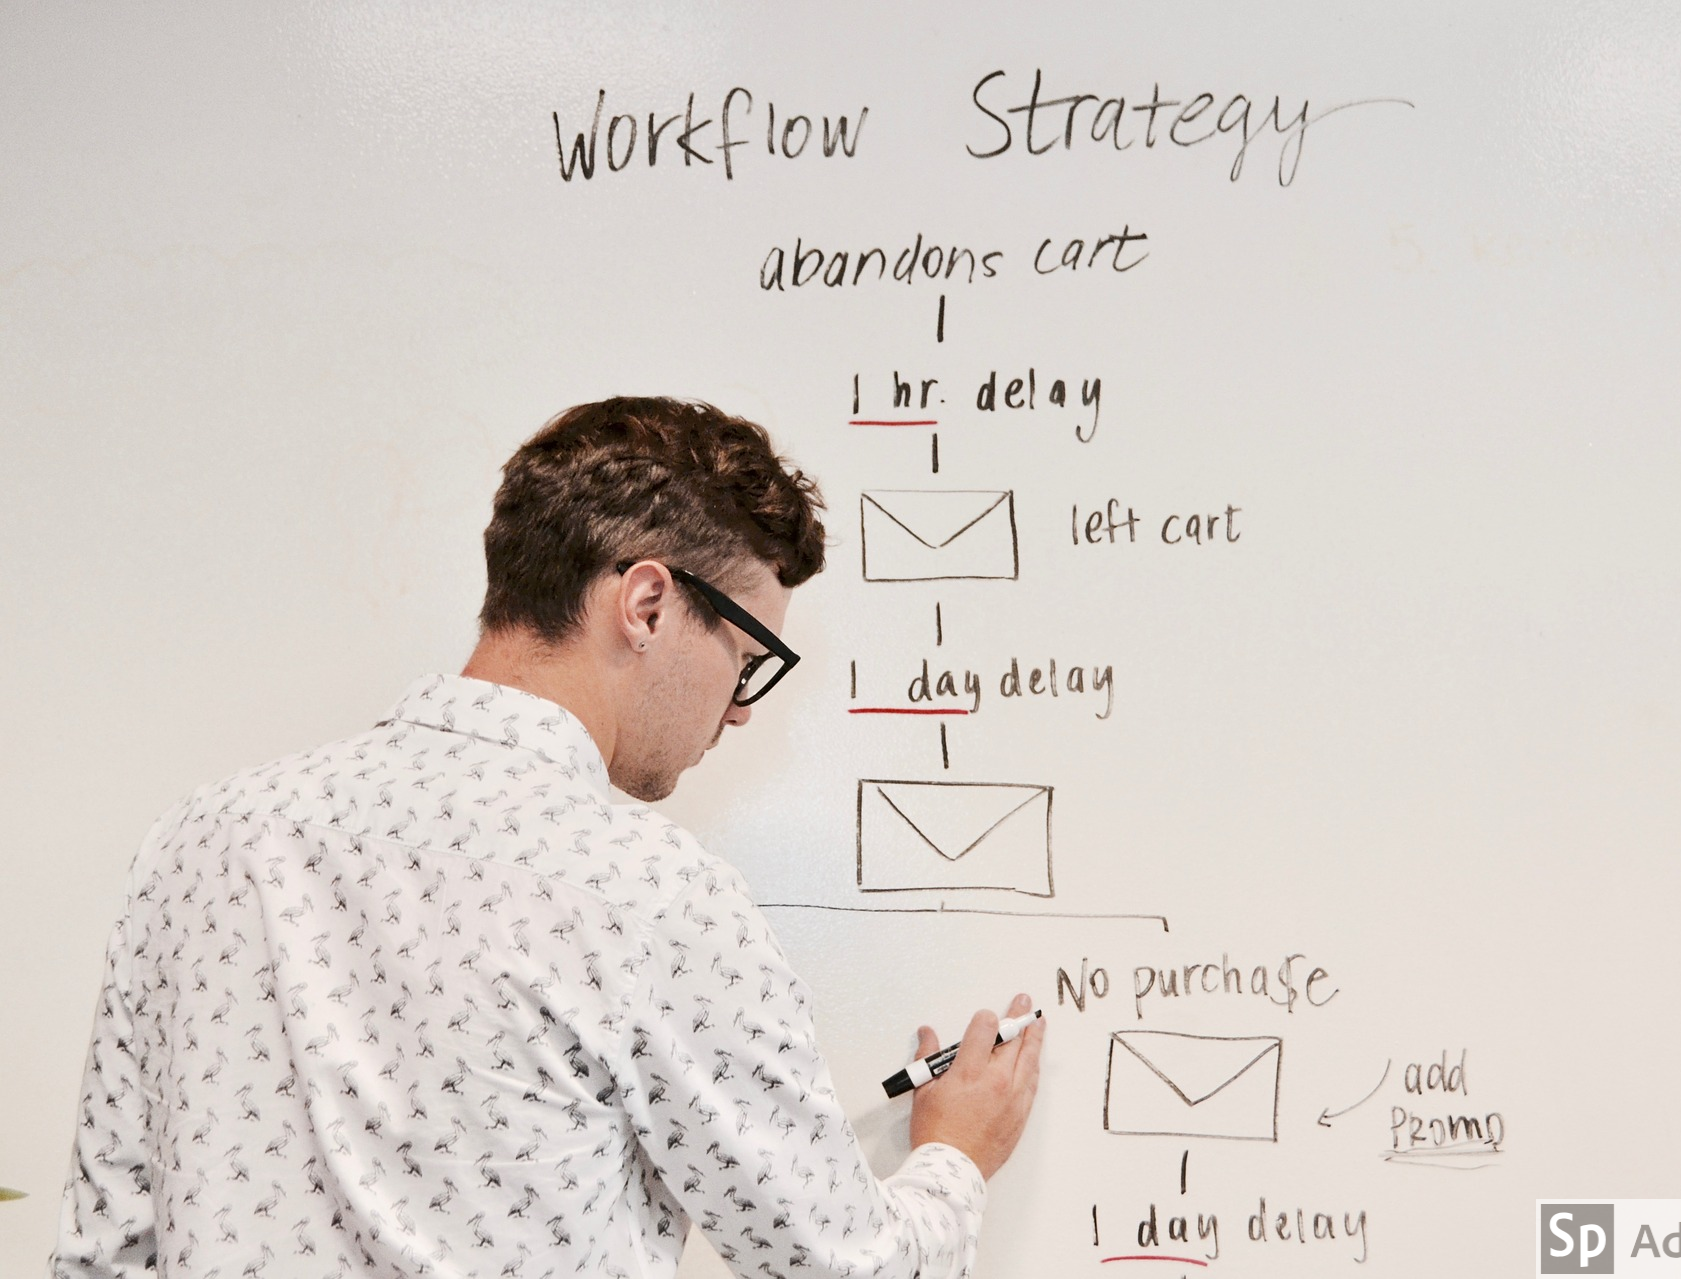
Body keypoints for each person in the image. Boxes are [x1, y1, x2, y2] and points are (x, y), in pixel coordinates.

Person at [51, 397, 1045, 1278]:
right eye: (746, 659)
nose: (740, 708)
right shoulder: (654, 894)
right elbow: (839, 1268)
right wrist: (956, 1155)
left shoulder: (203, 841)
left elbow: (101, 1254)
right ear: (647, 604)